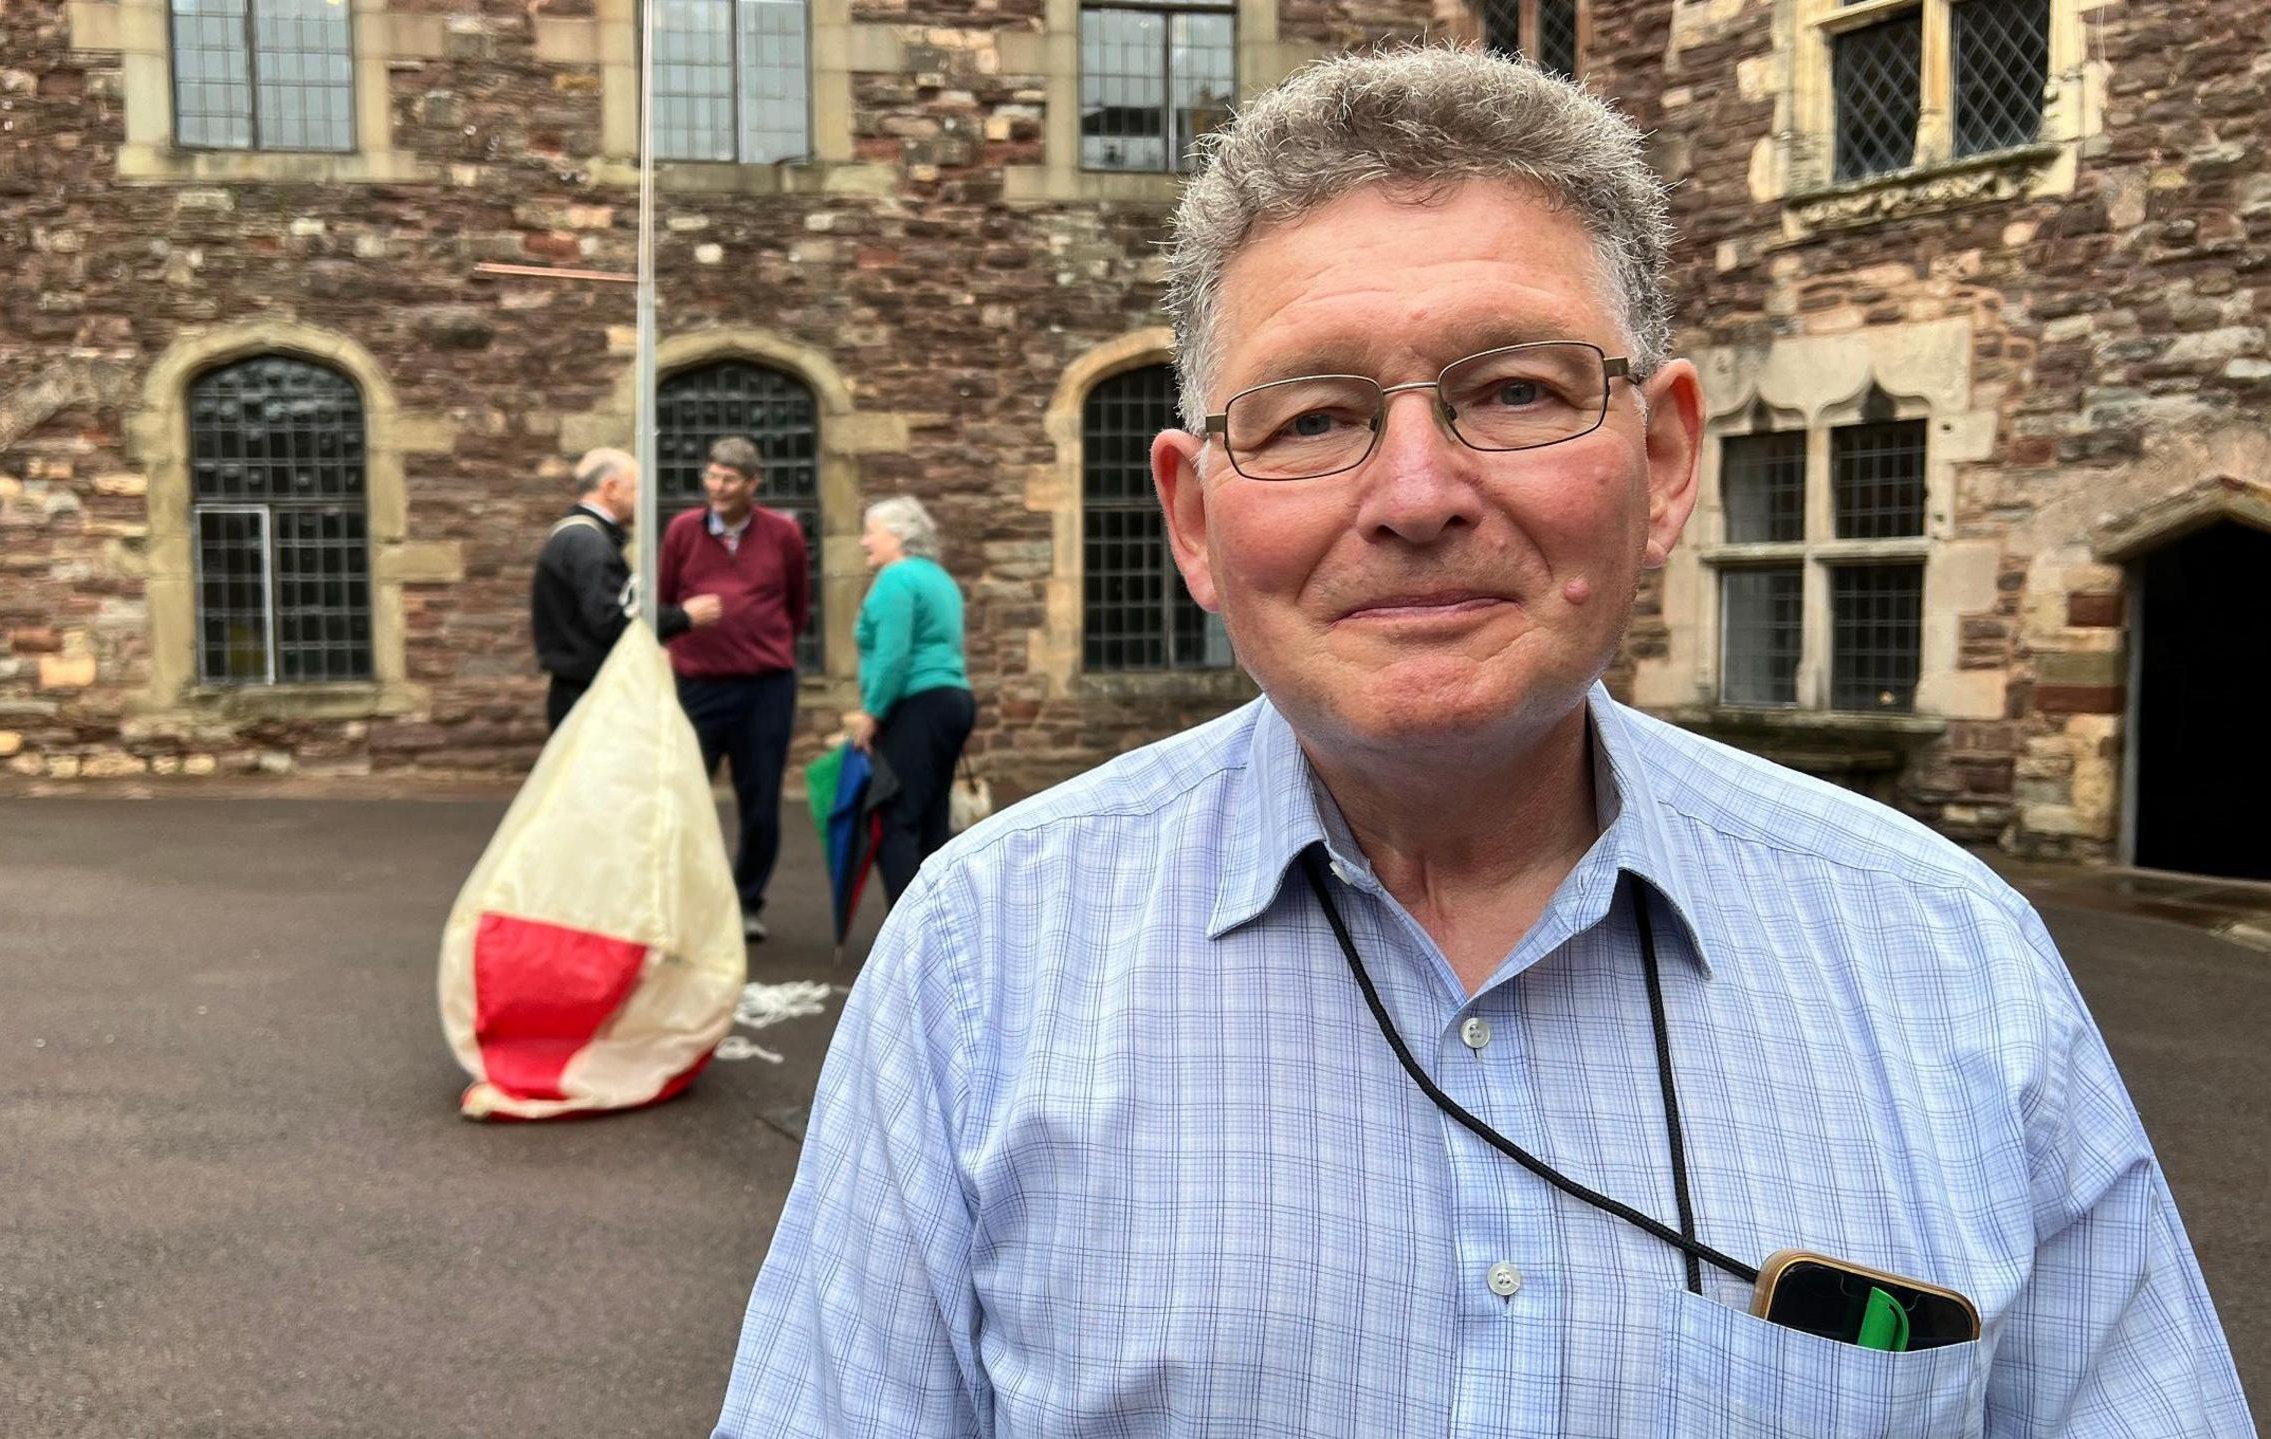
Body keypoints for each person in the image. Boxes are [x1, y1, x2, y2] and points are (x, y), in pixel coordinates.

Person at [717, 48, 2253, 1436]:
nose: (1414, 491)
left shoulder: (1947, 955)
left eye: (1512, 391)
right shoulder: (984, 960)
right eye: (1312, 416)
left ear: (1661, 461)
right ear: (1192, 516)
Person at [660, 436, 811, 943]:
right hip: (698, 684)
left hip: (765, 688)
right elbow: (664, 600)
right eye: (712, 476)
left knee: (761, 800)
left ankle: (748, 901)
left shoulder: (783, 533)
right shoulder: (682, 530)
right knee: (682, 796)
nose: (716, 487)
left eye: (728, 479)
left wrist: (762, 643)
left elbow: (797, 605)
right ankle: (685, 902)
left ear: (752, 484)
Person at [530, 447, 719, 731]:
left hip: (582, 689)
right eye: (637, 490)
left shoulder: (577, 536)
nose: (643, 501)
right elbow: (611, 621)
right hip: (589, 695)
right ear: (611, 488)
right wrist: (683, 617)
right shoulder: (588, 543)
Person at [844, 496, 975, 905]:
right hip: (953, 702)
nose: (865, 542)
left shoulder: (896, 578)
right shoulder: (938, 578)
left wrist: (872, 713)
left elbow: (892, 655)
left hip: (916, 705)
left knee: (893, 818)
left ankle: (909, 931)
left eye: (871, 532)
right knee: (932, 818)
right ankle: (939, 919)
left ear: (898, 535)